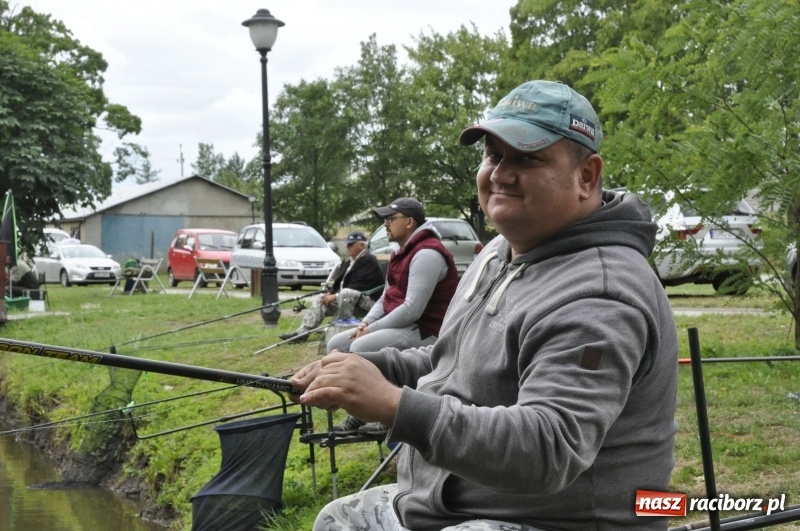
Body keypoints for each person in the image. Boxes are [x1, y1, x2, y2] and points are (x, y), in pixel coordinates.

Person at [290, 80, 678, 530]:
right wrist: (371, 369)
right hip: (455, 505)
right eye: (493, 156)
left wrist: (395, 406)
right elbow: (448, 361)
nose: (499, 174)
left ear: (586, 176)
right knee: (337, 519)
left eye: (527, 158)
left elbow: (549, 448)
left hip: (558, 520)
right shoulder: (498, 252)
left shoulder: (601, 294)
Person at [325, 197, 459, 356]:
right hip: (405, 325)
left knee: (360, 347)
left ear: (409, 222)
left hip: (428, 331)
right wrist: (365, 323)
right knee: (336, 344)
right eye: (384, 219)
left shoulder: (426, 254)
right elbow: (385, 297)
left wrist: (371, 330)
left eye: (390, 218)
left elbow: (411, 310)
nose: (385, 224)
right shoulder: (400, 251)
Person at [279, 231, 384, 343]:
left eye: (351, 244)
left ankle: (342, 331)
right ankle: (302, 334)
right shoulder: (348, 261)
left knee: (346, 293)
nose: (348, 247)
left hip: (369, 301)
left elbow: (361, 285)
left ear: (362, 245)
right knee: (321, 298)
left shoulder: (369, 260)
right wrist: (331, 293)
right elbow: (339, 283)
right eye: (347, 244)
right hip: (346, 298)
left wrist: (336, 295)